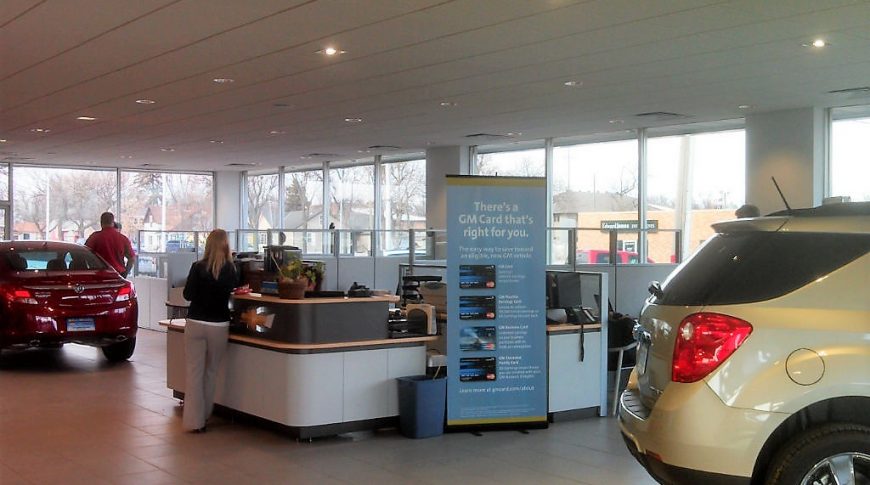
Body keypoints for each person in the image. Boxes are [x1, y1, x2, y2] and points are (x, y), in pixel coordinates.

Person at [182, 229, 238, 432]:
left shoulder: (197, 267)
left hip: (195, 323)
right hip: (219, 325)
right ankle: (205, 415)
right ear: (226, 245)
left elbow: (188, 295)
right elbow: (233, 293)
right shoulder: (231, 269)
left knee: (194, 373)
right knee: (211, 372)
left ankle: (193, 422)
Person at [85, 212, 135, 278]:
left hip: (99, 276)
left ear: (101, 223)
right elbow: (132, 258)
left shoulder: (94, 237)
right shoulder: (123, 238)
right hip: (118, 275)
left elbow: (85, 254)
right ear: (113, 223)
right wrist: (124, 274)